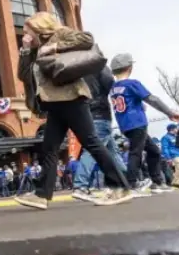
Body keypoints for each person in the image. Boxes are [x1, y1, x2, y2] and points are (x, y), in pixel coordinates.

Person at [15, 12, 132, 209]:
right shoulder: (35, 50)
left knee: (91, 142)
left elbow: (87, 39)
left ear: (38, 28)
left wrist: (54, 46)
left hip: (72, 98)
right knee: (50, 148)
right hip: (53, 102)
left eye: (27, 32)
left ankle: (120, 186)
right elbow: (24, 76)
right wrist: (26, 51)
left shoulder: (59, 35)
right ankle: (42, 194)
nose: (25, 36)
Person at [109, 54, 179, 195]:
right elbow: (151, 99)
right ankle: (132, 183)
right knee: (136, 152)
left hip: (125, 125)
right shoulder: (132, 83)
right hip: (137, 122)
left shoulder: (113, 88)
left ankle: (157, 182)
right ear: (130, 67)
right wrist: (169, 112)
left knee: (154, 151)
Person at [71, 62, 127, 202]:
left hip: (84, 112)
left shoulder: (75, 67)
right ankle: (80, 185)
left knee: (112, 152)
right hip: (100, 113)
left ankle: (129, 180)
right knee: (93, 150)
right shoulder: (98, 64)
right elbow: (110, 84)